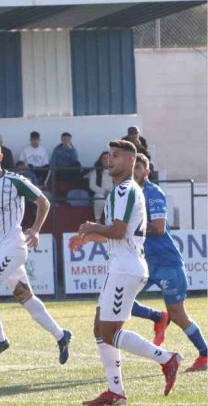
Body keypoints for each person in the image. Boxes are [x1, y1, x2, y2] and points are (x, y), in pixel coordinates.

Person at [69, 140, 181, 406]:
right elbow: (117, 234)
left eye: (117, 156)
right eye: (109, 155)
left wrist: (91, 226)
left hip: (125, 269)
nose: (110, 160)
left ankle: (167, 359)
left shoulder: (124, 190)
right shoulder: (121, 190)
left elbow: (118, 232)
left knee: (109, 333)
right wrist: (89, 237)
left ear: (131, 161)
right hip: (121, 267)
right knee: (100, 329)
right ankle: (115, 392)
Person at [0, 140, 72, 363]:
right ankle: (61, 335)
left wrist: (36, 229)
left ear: (0, 157)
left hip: (14, 245)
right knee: (25, 297)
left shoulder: (15, 181)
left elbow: (43, 202)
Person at [129, 153, 206, 372]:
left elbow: (159, 228)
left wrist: (128, 229)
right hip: (144, 262)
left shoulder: (152, 193)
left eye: (138, 168)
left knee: (179, 315)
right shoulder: (131, 194)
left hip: (167, 263)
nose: (134, 172)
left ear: (147, 172)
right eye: (132, 168)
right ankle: (158, 317)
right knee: (120, 300)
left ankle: (205, 354)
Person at [86, 151, 113, 222]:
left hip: (113, 193)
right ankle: (98, 220)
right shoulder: (96, 171)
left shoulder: (117, 171)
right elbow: (92, 185)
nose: (106, 160)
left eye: (108, 158)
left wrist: (111, 192)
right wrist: (104, 192)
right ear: (101, 160)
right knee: (99, 197)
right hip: (101, 193)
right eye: (104, 158)